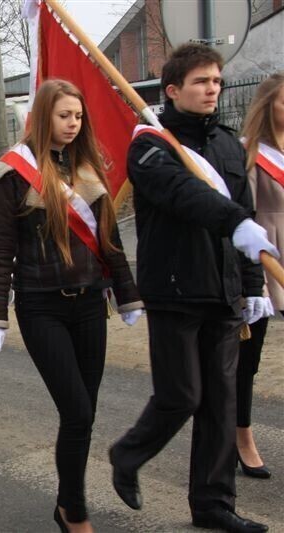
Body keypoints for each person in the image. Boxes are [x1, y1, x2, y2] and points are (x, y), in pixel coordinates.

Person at [109, 44, 272, 533]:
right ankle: (127, 453)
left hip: (223, 292)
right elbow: (185, 196)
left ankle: (213, 504)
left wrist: (252, 284)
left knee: (221, 404)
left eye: (217, 81)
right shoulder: (150, 146)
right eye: (202, 82)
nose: (212, 90)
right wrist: (235, 222)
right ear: (173, 90)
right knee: (181, 395)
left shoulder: (226, 144)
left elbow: (246, 221)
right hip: (176, 291)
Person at [0, 80, 142, 531]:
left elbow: (109, 241)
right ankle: (76, 513)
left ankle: (65, 504)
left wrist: (127, 294)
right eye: (64, 115)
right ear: (43, 116)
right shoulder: (13, 174)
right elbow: (2, 248)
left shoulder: (89, 168)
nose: (73, 124)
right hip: (41, 307)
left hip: (91, 305)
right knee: (77, 412)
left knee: (83, 415)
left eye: (78, 116)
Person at [235, 72, 284, 480]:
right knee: (249, 358)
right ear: (268, 105)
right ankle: (242, 435)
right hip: (263, 259)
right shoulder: (248, 153)